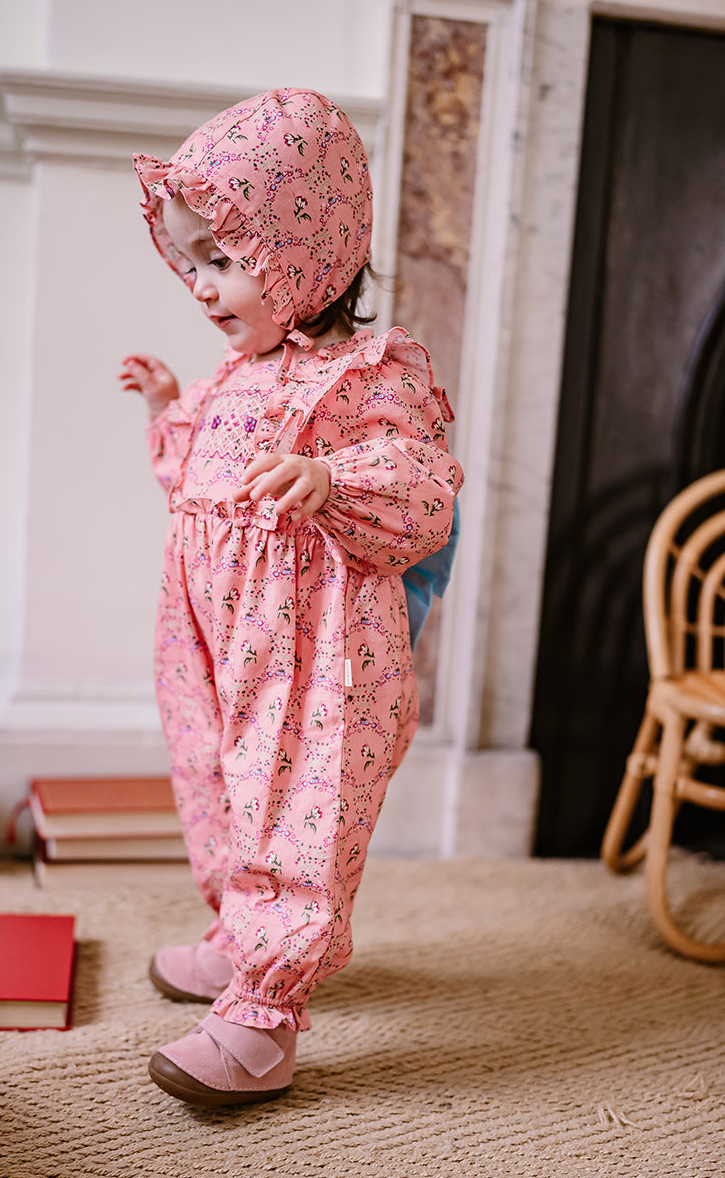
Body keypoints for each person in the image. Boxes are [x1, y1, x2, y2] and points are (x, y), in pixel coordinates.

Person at [120, 88, 463, 1108]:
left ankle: (266, 1014)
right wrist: (170, 409)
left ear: (302, 255)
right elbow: (199, 482)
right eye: (191, 261)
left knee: (294, 806)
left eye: (224, 259)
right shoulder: (236, 374)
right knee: (215, 781)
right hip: (211, 638)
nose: (201, 285)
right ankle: (240, 935)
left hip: (314, 651)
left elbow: (423, 487)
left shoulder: (365, 376)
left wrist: (331, 480)